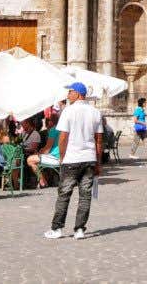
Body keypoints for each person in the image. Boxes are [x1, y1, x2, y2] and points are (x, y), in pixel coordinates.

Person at [44, 82, 103, 240]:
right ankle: (79, 229)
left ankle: (57, 228)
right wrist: (98, 162)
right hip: (89, 159)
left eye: (70, 92)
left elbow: (63, 137)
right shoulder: (96, 112)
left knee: (64, 194)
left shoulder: (68, 111)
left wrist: (62, 157)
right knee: (85, 195)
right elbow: (99, 141)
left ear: (78, 94)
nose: (68, 95)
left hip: (71, 159)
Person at [27, 115, 61, 188]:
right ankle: (44, 180)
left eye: (47, 122)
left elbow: (47, 149)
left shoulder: (53, 130)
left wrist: (39, 153)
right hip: (62, 156)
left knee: (30, 160)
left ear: (51, 122)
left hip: (54, 157)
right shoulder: (63, 130)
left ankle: (42, 181)